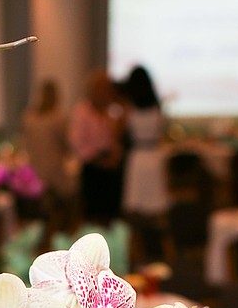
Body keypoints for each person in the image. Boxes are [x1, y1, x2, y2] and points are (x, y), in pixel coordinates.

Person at [68, 69, 126, 225]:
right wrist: (97, 159)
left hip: (111, 167)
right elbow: (76, 142)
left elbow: (117, 140)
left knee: (112, 215)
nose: (104, 92)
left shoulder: (114, 111)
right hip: (92, 168)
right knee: (93, 216)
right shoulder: (82, 111)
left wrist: (113, 156)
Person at [20, 79, 76, 231]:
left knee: (42, 214)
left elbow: (25, 143)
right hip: (54, 172)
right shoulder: (58, 118)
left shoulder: (29, 117)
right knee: (67, 203)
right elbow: (67, 145)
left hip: (34, 171)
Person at [122, 65, 168, 218]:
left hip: (138, 156)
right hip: (154, 155)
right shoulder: (157, 107)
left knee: (137, 205)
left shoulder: (129, 109)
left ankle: (140, 239)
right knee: (154, 204)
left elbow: (122, 132)